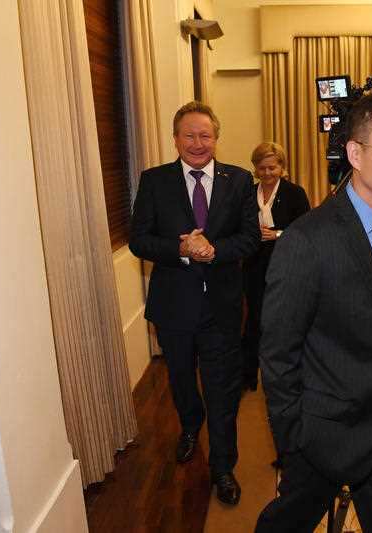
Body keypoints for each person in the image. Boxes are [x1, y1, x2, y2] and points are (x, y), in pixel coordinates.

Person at [256, 92, 372, 533]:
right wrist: (296, 441)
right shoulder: (306, 241)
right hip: (325, 434)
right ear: (354, 153)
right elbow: (278, 354)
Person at [129, 101, 260, 506]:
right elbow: (139, 239)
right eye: (189, 135)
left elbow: (250, 238)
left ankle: (223, 467)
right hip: (173, 308)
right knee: (183, 380)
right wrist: (183, 250)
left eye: (206, 135)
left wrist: (213, 250)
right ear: (176, 138)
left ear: (216, 138)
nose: (198, 143)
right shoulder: (154, 181)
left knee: (223, 391)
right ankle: (190, 426)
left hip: (221, 308)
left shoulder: (238, 180)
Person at [242, 142, 310, 392]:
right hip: (254, 264)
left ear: (282, 167)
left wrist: (278, 234)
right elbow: (238, 226)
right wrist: (252, 233)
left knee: (285, 321)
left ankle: (288, 376)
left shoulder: (295, 193)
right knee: (254, 321)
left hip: (286, 264)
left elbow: (305, 232)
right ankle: (248, 374)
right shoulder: (248, 193)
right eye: (262, 168)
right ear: (255, 169)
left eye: (272, 167)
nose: (268, 173)